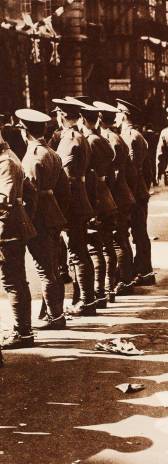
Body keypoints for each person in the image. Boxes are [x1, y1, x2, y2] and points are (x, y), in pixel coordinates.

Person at [16, 108, 68, 330]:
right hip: (53, 214)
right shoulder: (52, 152)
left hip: (40, 219)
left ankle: (55, 317)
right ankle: (53, 311)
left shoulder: (33, 156)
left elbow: (30, 196)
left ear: (25, 131)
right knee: (53, 266)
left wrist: (26, 223)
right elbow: (64, 189)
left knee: (44, 269)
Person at [53, 98, 96, 316]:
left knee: (77, 251)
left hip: (72, 202)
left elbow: (67, 175)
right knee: (78, 251)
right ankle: (85, 298)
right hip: (79, 198)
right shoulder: (78, 135)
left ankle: (86, 301)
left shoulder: (70, 138)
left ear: (62, 115)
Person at [76, 100, 118, 307]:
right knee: (106, 245)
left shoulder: (89, 141)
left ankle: (100, 292)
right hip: (105, 196)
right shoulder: (101, 140)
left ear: (84, 119)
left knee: (95, 247)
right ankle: (108, 289)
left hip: (96, 199)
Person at [94, 101, 136, 297]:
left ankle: (124, 281)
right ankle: (126, 278)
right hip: (122, 195)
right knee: (120, 238)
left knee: (118, 240)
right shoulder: (114, 137)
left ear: (100, 119)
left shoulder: (111, 139)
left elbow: (116, 174)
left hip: (117, 196)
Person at [0, 128, 36, 349]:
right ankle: (23, 330)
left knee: (13, 281)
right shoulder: (8, 158)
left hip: (8, 231)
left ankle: (22, 332)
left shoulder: (6, 163)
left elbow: (4, 199)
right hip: (12, 228)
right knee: (15, 281)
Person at [115, 98, 155, 285]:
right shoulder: (134, 134)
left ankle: (144, 272)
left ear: (124, 115)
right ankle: (143, 270)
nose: (115, 115)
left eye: (118, 112)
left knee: (137, 232)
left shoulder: (130, 136)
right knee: (139, 232)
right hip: (139, 190)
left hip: (134, 192)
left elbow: (131, 168)